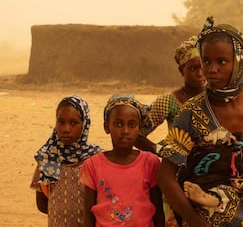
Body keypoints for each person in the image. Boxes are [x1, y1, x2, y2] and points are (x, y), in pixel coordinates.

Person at [157, 17, 243, 227]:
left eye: (221, 61)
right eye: (206, 61)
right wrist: (194, 221)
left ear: (239, 62)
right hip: (203, 214)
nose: (211, 69)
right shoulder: (192, 112)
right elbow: (165, 176)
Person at [80, 94, 164, 227]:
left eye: (132, 125)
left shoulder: (150, 163)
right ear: (107, 127)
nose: (125, 131)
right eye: (118, 124)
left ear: (139, 127)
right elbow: (88, 215)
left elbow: (158, 211)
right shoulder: (93, 165)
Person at [30, 95, 101, 227]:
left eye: (73, 123)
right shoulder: (48, 158)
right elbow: (42, 204)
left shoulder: (95, 160)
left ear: (85, 124)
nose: (66, 129)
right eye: (61, 122)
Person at [135, 36, 205, 153]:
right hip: (180, 166)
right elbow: (137, 135)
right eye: (193, 68)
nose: (200, 73)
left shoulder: (216, 97)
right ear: (181, 70)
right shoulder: (168, 101)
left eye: (203, 67)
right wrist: (159, 149)